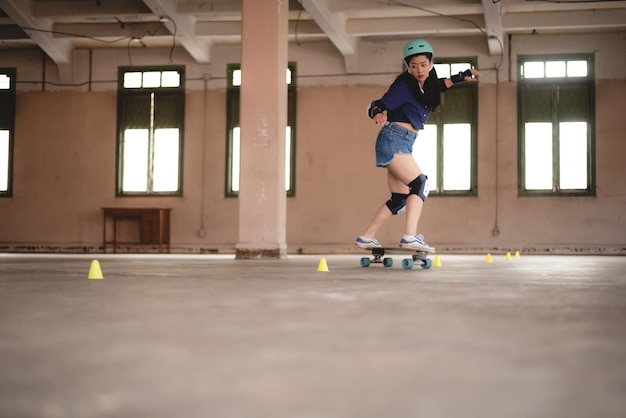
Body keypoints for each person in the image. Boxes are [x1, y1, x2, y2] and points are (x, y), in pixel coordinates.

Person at [355, 39, 480, 252]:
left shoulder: (425, 86)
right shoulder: (403, 85)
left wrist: (460, 77)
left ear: (430, 64)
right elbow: (378, 103)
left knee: (400, 199)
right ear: (408, 67)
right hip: (394, 139)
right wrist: (376, 112)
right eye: (413, 66)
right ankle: (410, 237)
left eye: (423, 65)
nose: (419, 70)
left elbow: (440, 85)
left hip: (400, 141)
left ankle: (366, 237)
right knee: (420, 184)